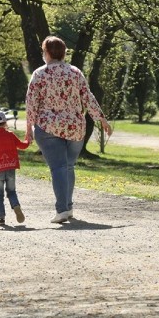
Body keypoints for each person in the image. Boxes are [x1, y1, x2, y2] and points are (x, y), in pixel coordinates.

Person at [25, 35, 112, 224]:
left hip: (48, 126)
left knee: (58, 167)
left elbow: (31, 103)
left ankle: (62, 209)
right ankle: (69, 207)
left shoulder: (40, 74)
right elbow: (88, 97)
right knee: (68, 166)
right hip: (75, 127)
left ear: (46, 53)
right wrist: (102, 119)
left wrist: (29, 129)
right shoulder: (75, 72)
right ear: (63, 53)